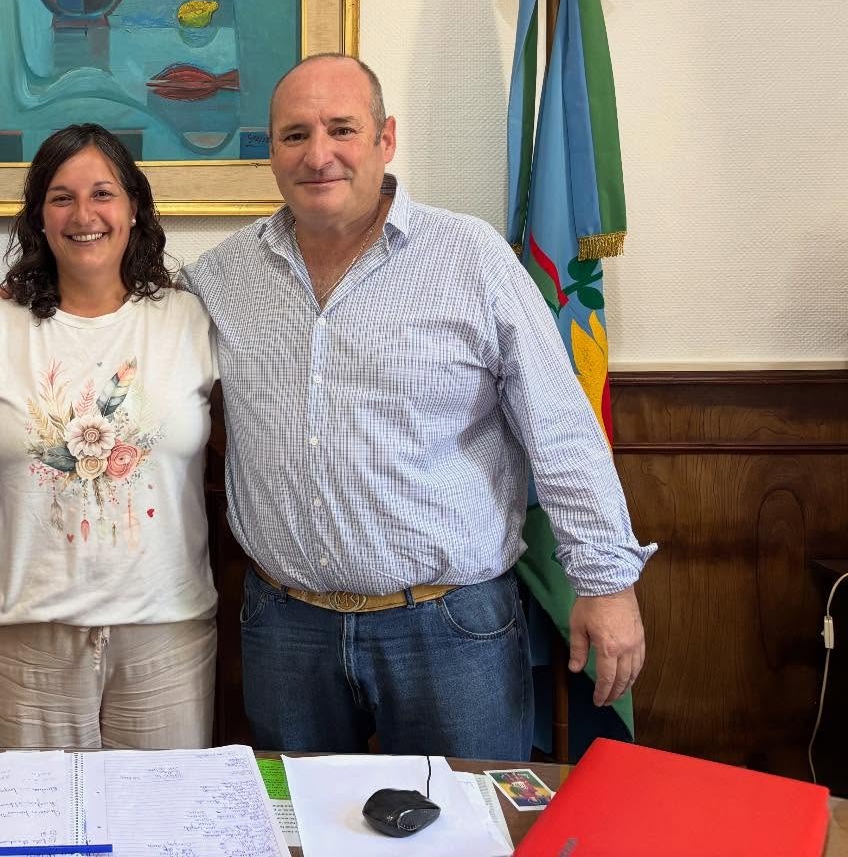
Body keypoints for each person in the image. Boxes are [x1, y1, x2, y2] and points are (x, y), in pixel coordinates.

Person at [182, 53, 655, 760]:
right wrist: (23, 299)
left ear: (386, 138)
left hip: (449, 628)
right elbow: (121, 320)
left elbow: (560, 427)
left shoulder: (470, 257)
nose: (319, 154)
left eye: (342, 129)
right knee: (299, 819)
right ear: (271, 152)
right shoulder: (222, 276)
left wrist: (607, 583)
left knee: (468, 816)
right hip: (285, 631)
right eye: (294, 135)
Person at [0, 123, 219, 750]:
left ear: (134, 208)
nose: (83, 215)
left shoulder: (189, 319)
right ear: (39, 218)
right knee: (35, 813)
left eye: (103, 194)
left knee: (162, 812)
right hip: (25, 634)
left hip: (165, 634)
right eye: (61, 197)